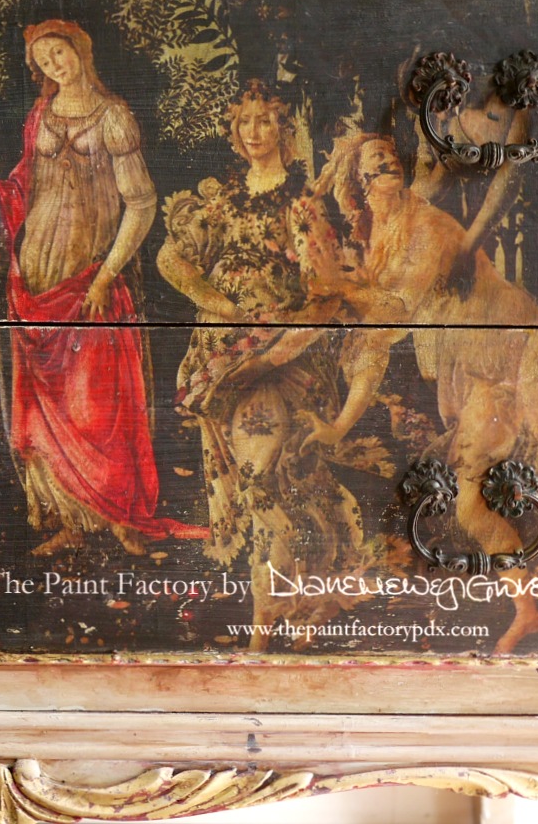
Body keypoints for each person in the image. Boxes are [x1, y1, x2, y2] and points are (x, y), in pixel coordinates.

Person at [308, 133, 538, 654]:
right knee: (470, 508)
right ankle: (527, 612)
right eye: (378, 161)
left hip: (526, 348)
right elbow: (382, 336)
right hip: (482, 375)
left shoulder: (426, 225)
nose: (391, 163)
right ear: (359, 181)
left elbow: (400, 307)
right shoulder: (378, 241)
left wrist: (338, 285)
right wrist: (338, 425)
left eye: (392, 157)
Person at [0, 19, 202, 557]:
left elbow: (141, 203)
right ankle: (69, 520)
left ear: (80, 50)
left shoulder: (114, 118)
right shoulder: (40, 115)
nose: (54, 65)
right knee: (43, 409)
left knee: (95, 409)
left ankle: (117, 516)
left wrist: (106, 275)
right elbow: (21, 190)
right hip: (34, 280)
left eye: (58, 53)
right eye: (43, 61)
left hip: (88, 281)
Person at [156, 80, 374, 651]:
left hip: (281, 361)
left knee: (265, 484)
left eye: (265, 120)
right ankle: (287, 612)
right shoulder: (220, 201)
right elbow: (169, 257)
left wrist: (272, 348)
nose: (254, 132)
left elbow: (324, 299)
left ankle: (262, 630)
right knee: (264, 487)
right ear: (234, 131)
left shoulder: (302, 204)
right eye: (245, 122)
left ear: (284, 128)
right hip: (222, 360)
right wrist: (217, 302)